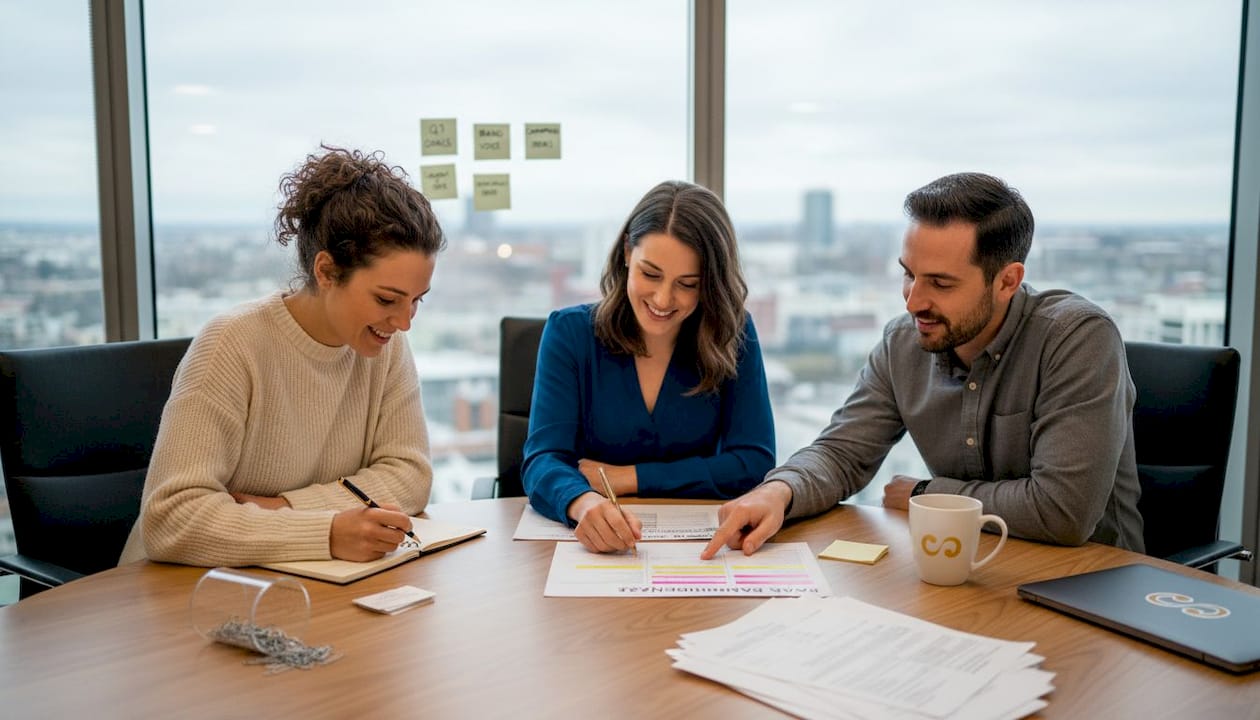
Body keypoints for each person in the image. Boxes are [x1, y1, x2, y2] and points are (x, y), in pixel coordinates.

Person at [703, 171, 1144, 560]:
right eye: (908, 274)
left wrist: (924, 494)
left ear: (1007, 280)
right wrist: (778, 492)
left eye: (940, 283)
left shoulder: (1076, 338)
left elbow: (1062, 511)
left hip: (1091, 584)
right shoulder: (903, 343)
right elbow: (841, 454)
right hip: (964, 570)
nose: (913, 301)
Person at [118, 145, 445, 567]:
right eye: (387, 298)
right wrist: (326, 531)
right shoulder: (231, 345)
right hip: (177, 595)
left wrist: (284, 508)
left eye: (417, 300)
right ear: (326, 272)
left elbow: (409, 476)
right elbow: (170, 518)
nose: (404, 322)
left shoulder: (386, 347)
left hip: (297, 582)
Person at [522, 180, 776, 554]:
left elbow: (753, 462)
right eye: (651, 274)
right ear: (627, 252)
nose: (662, 299)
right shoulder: (569, 333)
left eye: (687, 284)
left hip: (699, 550)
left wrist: (628, 478)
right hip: (594, 552)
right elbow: (543, 460)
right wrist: (584, 503)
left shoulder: (734, 334)